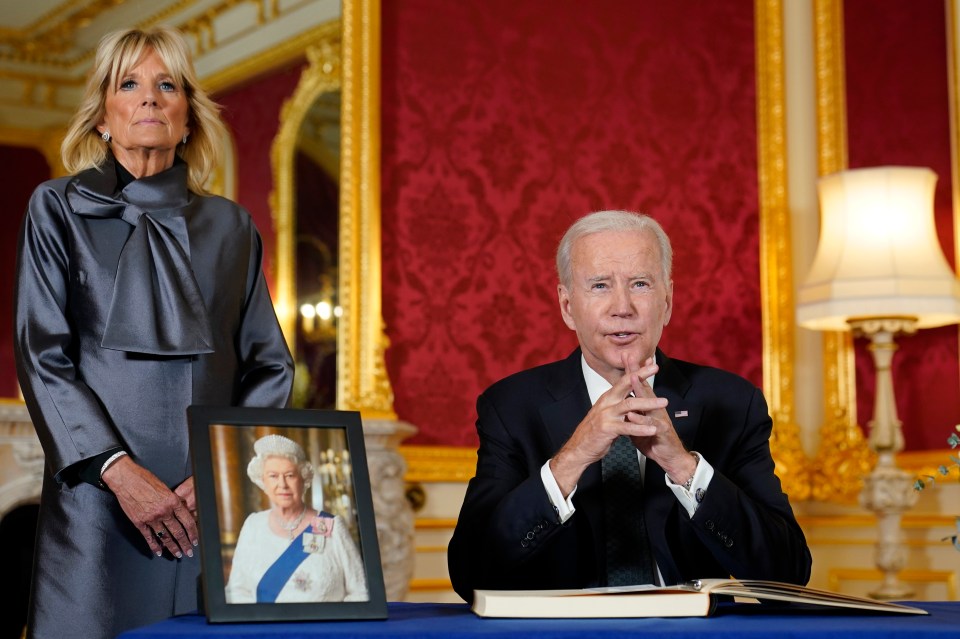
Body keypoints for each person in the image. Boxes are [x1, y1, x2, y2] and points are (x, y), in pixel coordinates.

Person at [13, 27, 294, 639]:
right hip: (97, 493)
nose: (150, 98)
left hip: (208, 499)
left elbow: (270, 364)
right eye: (130, 84)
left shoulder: (232, 225)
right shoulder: (56, 208)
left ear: (188, 118)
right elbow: (42, 354)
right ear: (103, 116)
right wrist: (115, 469)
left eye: (167, 86)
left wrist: (223, 469)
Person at [447, 210, 812, 602]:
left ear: (667, 302)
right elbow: (471, 573)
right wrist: (572, 458)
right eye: (600, 286)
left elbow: (789, 573)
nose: (622, 307)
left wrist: (684, 467)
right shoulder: (511, 407)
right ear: (568, 306)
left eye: (640, 284)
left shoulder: (732, 403)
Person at [225, 434, 368, 603]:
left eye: (290, 475)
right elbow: (236, 590)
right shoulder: (253, 525)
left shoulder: (331, 526)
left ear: (304, 479)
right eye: (273, 476)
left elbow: (360, 592)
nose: (282, 484)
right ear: (263, 481)